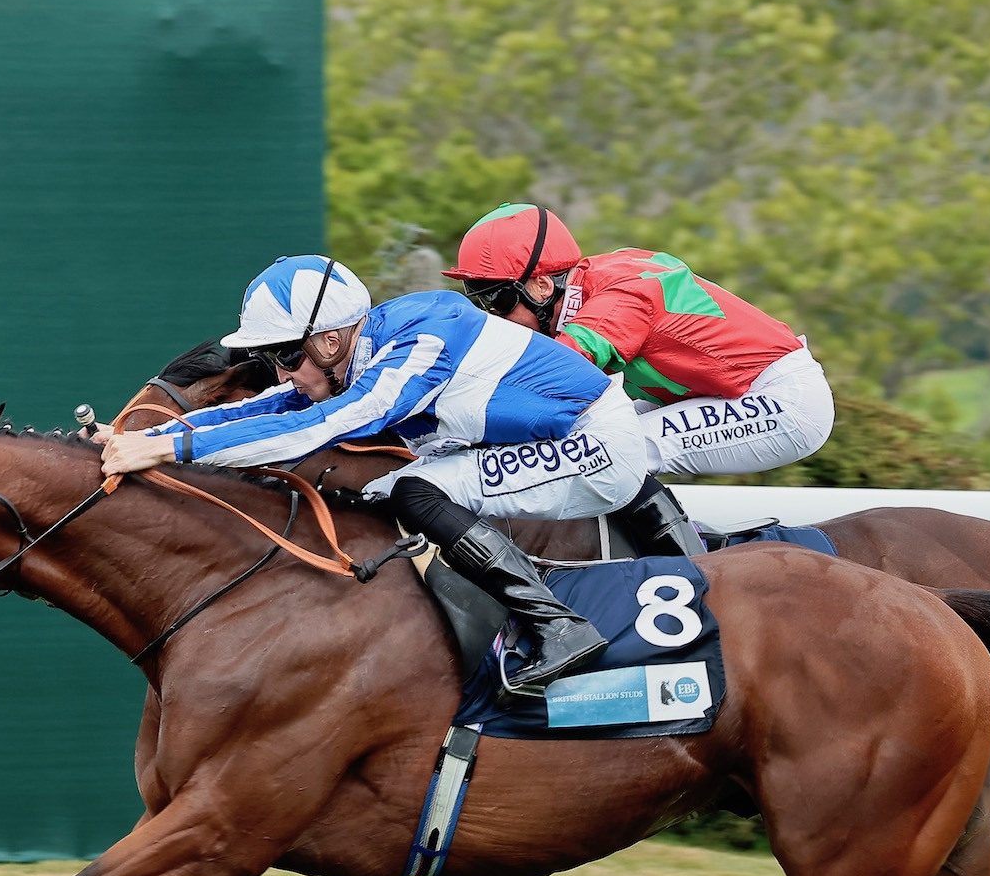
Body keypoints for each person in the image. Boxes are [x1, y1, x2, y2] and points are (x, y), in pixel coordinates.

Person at [99, 255, 651, 696]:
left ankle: (558, 626)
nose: (282, 374)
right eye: (273, 360)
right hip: (551, 443)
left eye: (285, 357)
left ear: (329, 340)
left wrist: (170, 449)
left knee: (415, 489)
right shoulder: (361, 349)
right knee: (384, 490)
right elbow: (270, 407)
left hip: (597, 447)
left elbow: (325, 426)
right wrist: (152, 435)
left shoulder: (421, 341)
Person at [444, 203, 836, 557]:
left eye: (498, 301)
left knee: (618, 450)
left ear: (541, 286)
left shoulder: (619, 298)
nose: (495, 318)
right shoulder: (591, 282)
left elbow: (549, 382)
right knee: (594, 438)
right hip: (732, 393)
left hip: (783, 400)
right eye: (481, 303)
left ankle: (696, 568)